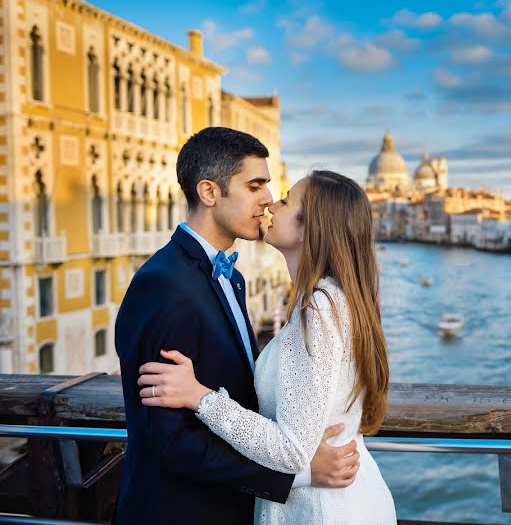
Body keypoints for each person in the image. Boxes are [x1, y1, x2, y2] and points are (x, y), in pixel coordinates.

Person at [115, 129, 361, 525]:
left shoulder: (233, 278)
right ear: (210, 193)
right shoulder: (162, 284)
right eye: (254, 186)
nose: (267, 199)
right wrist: (300, 474)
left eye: (271, 188)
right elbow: (169, 441)